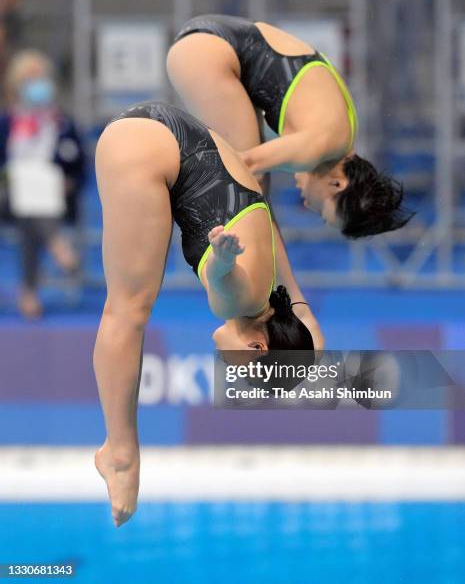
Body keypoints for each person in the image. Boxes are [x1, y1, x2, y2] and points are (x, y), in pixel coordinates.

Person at [93, 101, 322, 526]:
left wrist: (306, 344)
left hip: (169, 127)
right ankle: (122, 456)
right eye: (237, 369)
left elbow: (307, 325)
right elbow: (222, 282)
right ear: (256, 347)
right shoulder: (239, 303)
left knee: (131, 304)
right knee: (127, 311)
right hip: (140, 147)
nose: (224, 364)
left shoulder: (278, 288)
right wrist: (221, 258)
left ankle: (122, 455)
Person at [167, 14, 414, 238]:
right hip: (206, 53)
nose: (307, 205)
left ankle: (281, 287)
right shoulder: (314, 150)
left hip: (212, 39)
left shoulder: (341, 137)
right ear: (338, 184)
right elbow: (245, 163)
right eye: (322, 211)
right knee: (251, 192)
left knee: (256, 196)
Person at [0, 49, 85, 318]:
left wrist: (68, 182)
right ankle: (57, 244)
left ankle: (29, 293)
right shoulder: (7, 123)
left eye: (40, 78)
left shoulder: (63, 124)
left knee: (30, 217)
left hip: (54, 197)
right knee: (25, 193)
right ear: (17, 85)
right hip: (9, 196)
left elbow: (79, 167)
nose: (36, 85)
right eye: (29, 79)